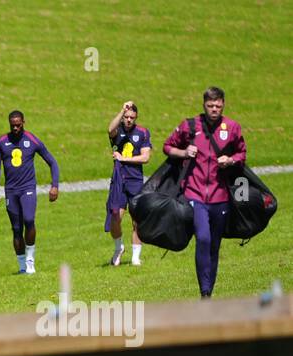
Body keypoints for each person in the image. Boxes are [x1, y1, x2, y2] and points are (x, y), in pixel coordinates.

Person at [163, 86, 247, 298]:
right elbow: (167, 147)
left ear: (223, 105)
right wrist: (183, 152)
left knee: (214, 246)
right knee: (203, 238)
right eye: (210, 106)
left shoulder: (233, 127)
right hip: (195, 195)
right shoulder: (190, 126)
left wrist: (230, 160)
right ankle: (205, 291)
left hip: (221, 197)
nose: (214, 109)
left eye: (218, 105)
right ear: (204, 105)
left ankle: (208, 291)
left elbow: (242, 154)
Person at [0, 110, 60, 274]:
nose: (15, 128)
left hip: (27, 188)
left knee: (29, 220)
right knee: (16, 229)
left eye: (18, 125)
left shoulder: (32, 140)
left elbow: (52, 162)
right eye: (12, 125)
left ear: (23, 122)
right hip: (11, 191)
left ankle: (30, 260)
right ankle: (22, 265)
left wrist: (54, 185)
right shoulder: (1, 143)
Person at [106, 101, 152, 267]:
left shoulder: (143, 133)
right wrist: (121, 110)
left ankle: (135, 257)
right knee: (115, 217)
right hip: (118, 181)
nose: (128, 120)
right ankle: (119, 248)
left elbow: (145, 157)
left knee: (137, 220)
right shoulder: (117, 132)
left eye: (131, 117)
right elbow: (109, 129)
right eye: (126, 117)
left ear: (136, 117)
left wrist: (124, 158)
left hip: (135, 181)